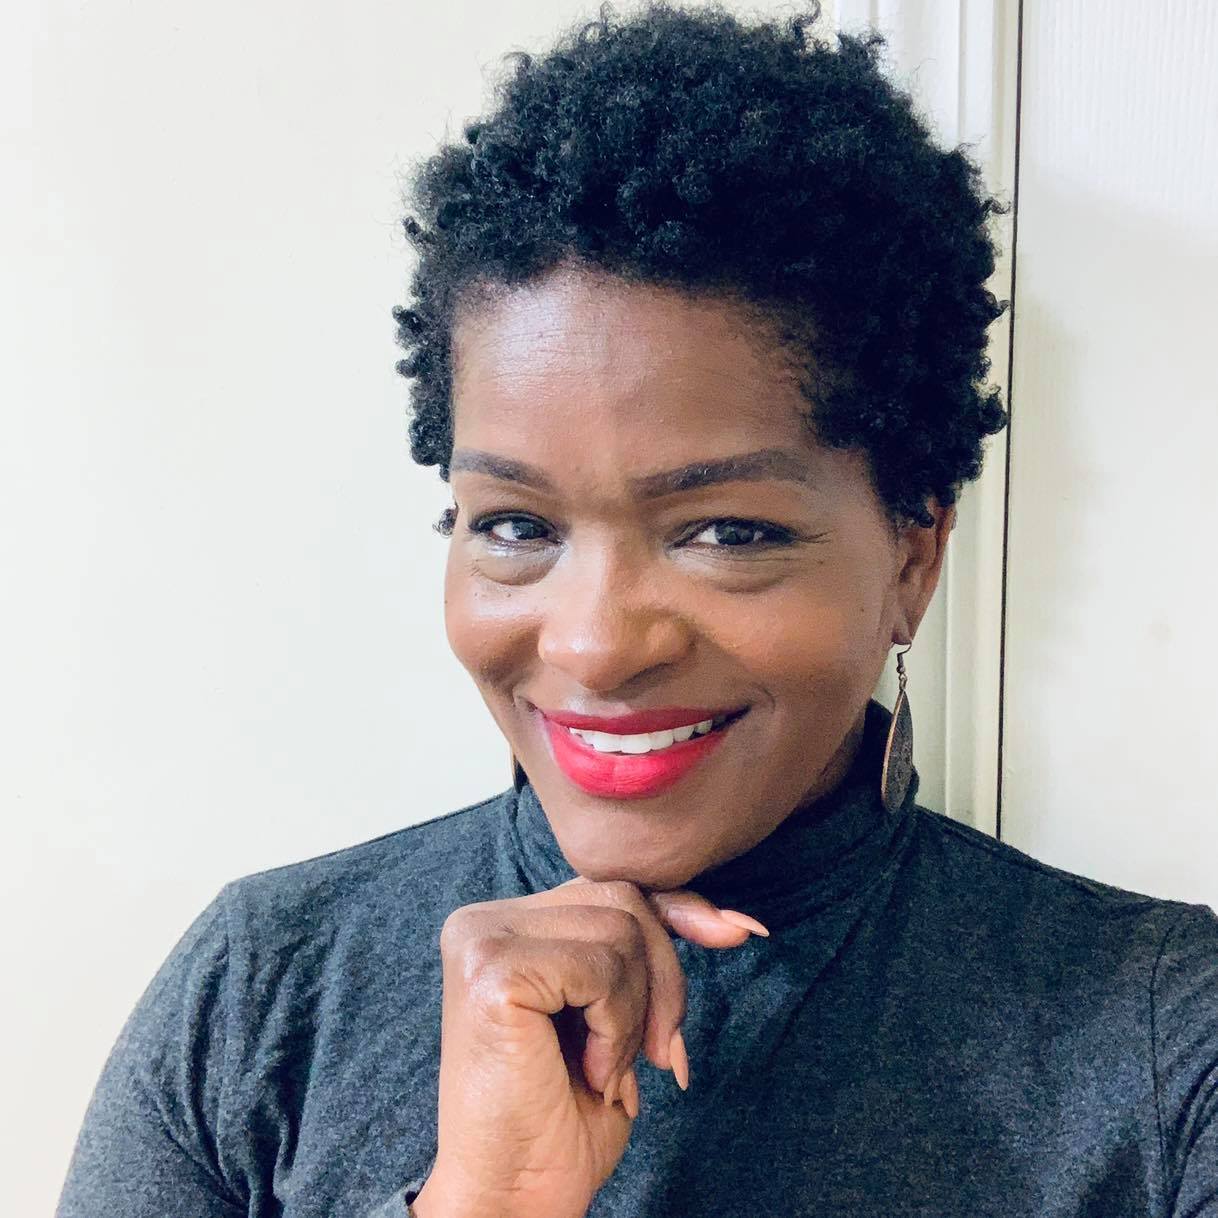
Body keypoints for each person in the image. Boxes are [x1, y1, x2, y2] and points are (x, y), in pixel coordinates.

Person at [56, 3, 1218, 1216]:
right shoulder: (264, 991)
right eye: (518, 525)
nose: (597, 644)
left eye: (728, 532)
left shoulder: (1163, 1050)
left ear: (914, 557)